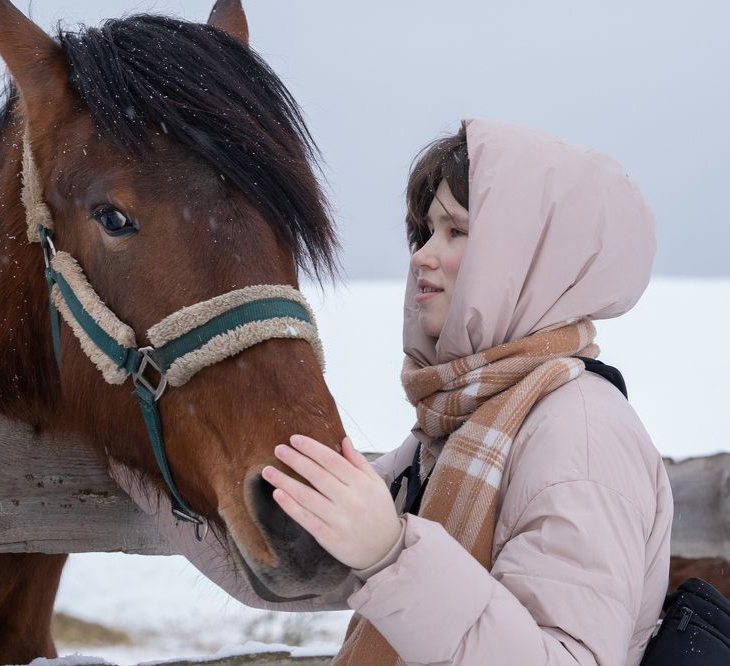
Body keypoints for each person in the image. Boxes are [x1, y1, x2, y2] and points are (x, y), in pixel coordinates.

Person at [114, 118, 673, 665]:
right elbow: (285, 561)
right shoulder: (462, 423)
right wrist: (115, 438)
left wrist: (392, 554)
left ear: (528, 261)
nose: (422, 255)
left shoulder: (581, 434)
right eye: (425, 230)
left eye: (456, 231)